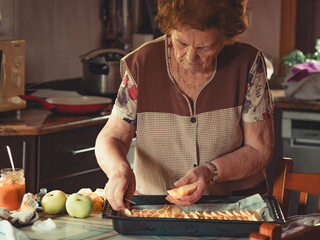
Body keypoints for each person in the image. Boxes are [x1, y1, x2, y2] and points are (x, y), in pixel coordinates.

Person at [95, 0, 274, 211]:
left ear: (225, 38)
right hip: (156, 212)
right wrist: (119, 170)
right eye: (181, 43)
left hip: (236, 211)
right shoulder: (143, 64)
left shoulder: (248, 64)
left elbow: (259, 149)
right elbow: (112, 137)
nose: (190, 57)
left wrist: (211, 171)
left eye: (204, 47)